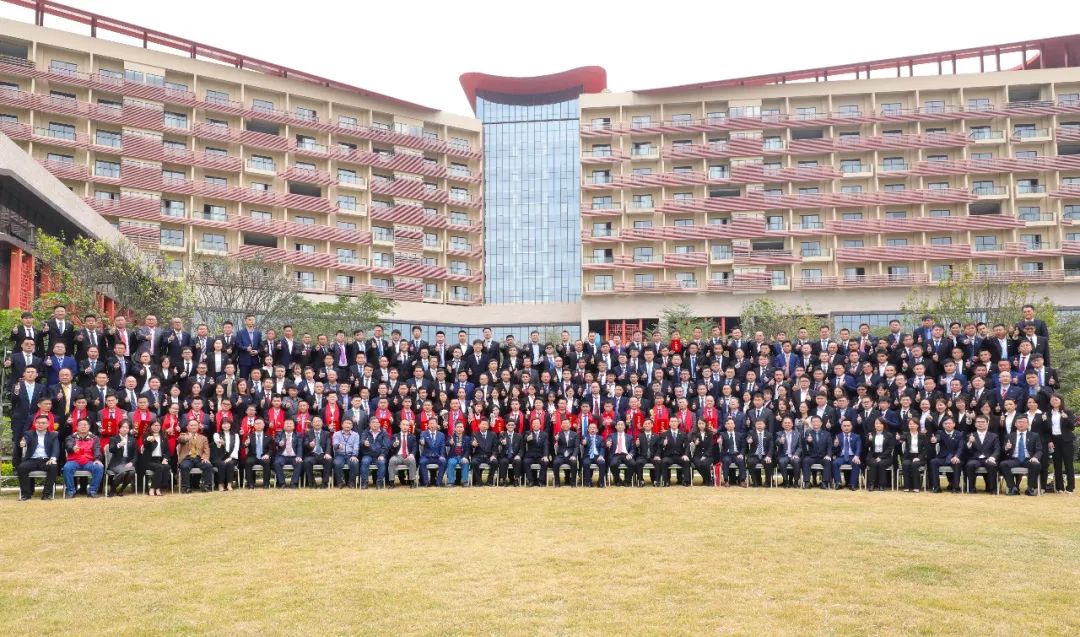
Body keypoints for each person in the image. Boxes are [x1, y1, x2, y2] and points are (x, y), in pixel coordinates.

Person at [16, 415, 59, 501]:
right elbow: (25, 439)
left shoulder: (53, 435)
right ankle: (26, 494)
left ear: (48, 424)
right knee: (21, 467)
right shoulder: (29, 434)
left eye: (43, 423)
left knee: (53, 467)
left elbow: (56, 448)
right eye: (38, 423)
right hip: (32, 460)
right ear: (35, 424)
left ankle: (46, 494)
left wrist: (53, 458)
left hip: (46, 460)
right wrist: (23, 442)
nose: (40, 425)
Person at [999, 416, 1043, 496]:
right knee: (1003, 464)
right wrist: (1006, 448)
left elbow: (1039, 450)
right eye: (1019, 422)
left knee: (1036, 464)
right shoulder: (1009, 436)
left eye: (1024, 422)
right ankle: (1013, 488)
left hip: (1029, 459)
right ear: (1015, 424)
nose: (1021, 424)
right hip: (1014, 459)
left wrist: (1035, 457)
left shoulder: (1034, 435)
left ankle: (1030, 488)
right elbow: (1002, 451)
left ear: (1028, 424)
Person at [62, 418, 103, 498]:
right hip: (74, 461)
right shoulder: (71, 437)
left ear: (89, 427)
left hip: (89, 461)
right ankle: (71, 491)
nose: (83, 426)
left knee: (99, 467)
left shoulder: (95, 438)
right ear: (76, 427)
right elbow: (68, 445)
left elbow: (97, 449)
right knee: (67, 467)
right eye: (80, 425)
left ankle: (92, 491)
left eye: (85, 425)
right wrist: (72, 448)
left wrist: (97, 459)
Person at [1045, 394, 1075, 494]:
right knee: (1057, 465)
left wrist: (1066, 418)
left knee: (1068, 464)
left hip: (1066, 440)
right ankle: (1059, 487)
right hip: (1054, 440)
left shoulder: (1067, 412)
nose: (1054, 402)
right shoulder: (1048, 413)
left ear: (1061, 401)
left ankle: (1070, 487)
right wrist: (1049, 441)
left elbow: (1072, 427)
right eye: (1052, 400)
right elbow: (1046, 430)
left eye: (1056, 400)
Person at [963, 415, 1000, 494]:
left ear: (987, 423)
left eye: (983, 422)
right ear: (975, 424)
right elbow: (966, 451)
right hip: (975, 459)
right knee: (970, 465)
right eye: (978, 422)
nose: (980, 424)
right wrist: (969, 442)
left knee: (992, 465)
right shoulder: (970, 435)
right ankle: (971, 488)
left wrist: (992, 457)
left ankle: (992, 489)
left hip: (989, 458)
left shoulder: (994, 436)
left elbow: (997, 449)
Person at [176, 419, 213, 493]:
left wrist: (205, 457)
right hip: (187, 458)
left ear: (198, 427)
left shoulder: (203, 438)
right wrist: (188, 438)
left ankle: (206, 486)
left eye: (195, 425)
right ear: (187, 427)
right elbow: (181, 440)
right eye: (191, 425)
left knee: (208, 465)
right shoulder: (183, 435)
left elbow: (206, 449)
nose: (193, 427)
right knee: (184, 466)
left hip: (199, 458)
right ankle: (186, 488)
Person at [928, 418, 964, 493]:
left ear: (954, 424)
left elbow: (960, 447)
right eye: (945, 423)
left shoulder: (959, 434)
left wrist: (957, 456)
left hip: (954, 457)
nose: (948, 425)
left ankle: (956, 487)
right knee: (933, 462)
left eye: (949, 423)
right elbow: (937, 437)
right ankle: (936, 487)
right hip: (943, 457)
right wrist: (935, 439)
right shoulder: (940, 432)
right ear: (943, 425)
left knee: (957, 463)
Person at [106, 420, 138, 496]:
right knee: (123, 472)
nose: (125, 429)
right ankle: (113, 489)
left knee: (132, 472)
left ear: (129, 429)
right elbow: (111, 449)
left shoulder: (132, 439)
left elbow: (135, 454)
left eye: (127, 427)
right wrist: (118, 445)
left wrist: (132, 462)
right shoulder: (114, 438)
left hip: (128, 462)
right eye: (123, 427)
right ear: (119, 428)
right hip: (116, 463)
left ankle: (121, 490)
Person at [140, 420, 171, 496]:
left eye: (158, 425)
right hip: (148, 460)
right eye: (154, 425)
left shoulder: (163, 437)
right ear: (150, 426)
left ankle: (159, 488)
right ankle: (152, 489)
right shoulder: (146, 435)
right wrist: (148, 439)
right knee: (159, 467)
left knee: (166, 466)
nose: (156, 427)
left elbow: (167, 451)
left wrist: (165, 459)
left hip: (159, 460)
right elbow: (145, 443)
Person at [801, 417, 832, 489]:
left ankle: (824, 483)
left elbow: (829, 446)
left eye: (817, 421)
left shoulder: (827, 434)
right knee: (805, 461)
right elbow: (804, 444)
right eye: (813, 422)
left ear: (821, 423)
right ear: (811, 423)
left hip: (823, 456)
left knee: (827, 461)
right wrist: (808, 441)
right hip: (812, 456)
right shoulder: (808, 433)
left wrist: (828, 455)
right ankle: (807, 482)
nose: (815, 423)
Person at [302, 417, 333, 488]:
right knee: (307, 461)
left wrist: (327, 453)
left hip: (323, 455)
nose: (317, 423)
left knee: (329, 460)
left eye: (319, 421)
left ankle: (324, 482)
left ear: (322, 423)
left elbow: (328, 445)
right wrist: (309, 444)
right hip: (312, 455)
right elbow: (305, 443)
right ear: (312, 424)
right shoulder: (308, 433)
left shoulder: (327, 433)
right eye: (315, 422)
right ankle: (312, 482)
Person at [359, 418, 390, 489]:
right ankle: (364, 483)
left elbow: (386, 446)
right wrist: (364, 443)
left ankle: (379, 483)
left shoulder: (384, 433)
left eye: (377, 422)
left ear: (379, 424)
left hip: (379, 455)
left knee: (382, 462)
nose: (375, 424)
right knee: (364, 461)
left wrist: (382, 455)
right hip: (368, 455)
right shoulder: (365, 432)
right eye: (373, 422)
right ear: (370, 424)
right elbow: (361, 441)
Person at [899, 419, 929, 492]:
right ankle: (906, 486)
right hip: (909, 456)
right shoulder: (906, 434)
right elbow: (902, 437)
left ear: (917, 425)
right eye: (910, 424)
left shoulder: (922, 435)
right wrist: (899, 438)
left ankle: (916, 486)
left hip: (919, 457)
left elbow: (925, 449)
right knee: (905, 464)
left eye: (914, 424)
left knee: (914, 464)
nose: (912, 425)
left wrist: (919, 458)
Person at [865, 418, 895, 491]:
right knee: (873, 463)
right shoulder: (871, 434)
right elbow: (867, 446)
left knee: (881, 464)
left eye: (880, 423)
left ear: (883, 425)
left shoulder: (889, 435)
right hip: (873, 456)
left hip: (886, 456)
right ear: (874, 425)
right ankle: (871, 484)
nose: (878, 425)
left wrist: (881, 457)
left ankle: (882, 485)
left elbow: (890, 449)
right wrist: (869, 440)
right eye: (876, 423)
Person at [831, 421, 862, 491]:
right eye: (844, 426)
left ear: (851, 426)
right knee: (834, 463)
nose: (846, 427)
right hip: (841, 457)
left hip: (852, 456)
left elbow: (859, 447)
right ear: (841, 427)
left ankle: (853, 484)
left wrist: (857, 456)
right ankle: (838, 483)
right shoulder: (837, 436)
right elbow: (833, 450)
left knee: (856, 463)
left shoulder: (856, 436)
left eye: (848, 426)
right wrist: (835, 445)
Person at [273, 420, 304, 488]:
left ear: (294, 426)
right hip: (282, 456)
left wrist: (299, 456)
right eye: (287, 423)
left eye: (290, 423)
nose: (288, 425)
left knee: (299, 463)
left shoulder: (298, 435)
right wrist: (279, 443)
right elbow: (276, 441)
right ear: (283, 426)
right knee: (277, 463)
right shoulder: (279, 434)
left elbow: (299, 446)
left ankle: (294, 483)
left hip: (294, 456)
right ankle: (282, 483)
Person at [211, 419, 240, 491]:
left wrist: (230, 458)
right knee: (222, 464)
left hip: (231, 457)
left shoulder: (236, 435)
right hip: (219, 457)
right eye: (224, 424)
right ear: (221, 425)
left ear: (230, 425)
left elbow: (236, 448)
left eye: (227, 423)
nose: (226, 425)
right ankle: (220, 484)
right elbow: (217, 442)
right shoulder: (216, 434)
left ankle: (229, 484)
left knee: (230, 463)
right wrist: (222, 443)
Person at [715, 418, 745, 487]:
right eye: (728, 424)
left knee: (741, 461)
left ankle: (742, 480)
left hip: (737, 454)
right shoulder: (722, 434)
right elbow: (720, 439)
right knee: (726, 461)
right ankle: (726, 480)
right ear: (725, 426)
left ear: (734, 425)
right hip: (727, 454)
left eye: (731, 423)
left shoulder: (739, 435)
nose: (730, 425)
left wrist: (741, 454)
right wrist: (720, 441)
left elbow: (743, 447)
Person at [244, 419, 274, 488]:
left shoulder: (268, 437)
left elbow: (271, 449)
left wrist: (268, 454)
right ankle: (250, 483)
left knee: (267, 462)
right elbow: (243, 446)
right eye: (256, 423)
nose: (258, 425)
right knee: (248, 462)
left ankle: (266, 483)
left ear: (264, 425)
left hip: (264, 456)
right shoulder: (249, 436)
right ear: (254, 425)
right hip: (252, 456)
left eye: (260, 423)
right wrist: (246, 444)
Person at [332, 419, 361, 488]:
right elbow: (335, 444)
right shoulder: (337, 434)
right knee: (337, 463)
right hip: (339, 455)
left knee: (355, 463)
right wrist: (338, 445)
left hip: (350, 455)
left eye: (350, 423)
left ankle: (351, 482)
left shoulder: (355, 435)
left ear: (352, 426)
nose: (348, 425)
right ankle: (340, 482)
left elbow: (356, 446)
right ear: (342, 425)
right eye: (346, 423)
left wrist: (354, 455)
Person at [606, 420, 636, 486]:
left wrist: (630, 454)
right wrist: (608, 443)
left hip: (626, 454)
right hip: (615, 455)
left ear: (624, 427)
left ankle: (627, 481)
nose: (620, 426)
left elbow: (633, 449)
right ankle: (617, 480)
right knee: (613, 464)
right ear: (616, 427)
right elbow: (608, 440)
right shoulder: (611, 435)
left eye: (622, 424)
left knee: (633, 463)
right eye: (618, 425)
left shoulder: (629, 437)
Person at [744, 419, 773, 487]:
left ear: (765, 425)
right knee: (750, 462)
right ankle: (755, 481)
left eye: (761, 424)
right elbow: (748, 437)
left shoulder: (769, 434)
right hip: (754, 455)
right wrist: (748, 440)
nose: (759, 425)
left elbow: (771, 447)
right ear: (755, 425)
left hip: (765, 455)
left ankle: (767, 482)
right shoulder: (751, 432)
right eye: (758, 424)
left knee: (768, 462)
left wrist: (769, 456)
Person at [419, 418, 447, 487]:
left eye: (433, 423)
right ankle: (426, 482)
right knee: (422, 462)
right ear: (428, 425)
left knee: (443, 461)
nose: (432, 425)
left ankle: (438, 482)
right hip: (426, 456)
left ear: (436, 424)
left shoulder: (441, 435)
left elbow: (442, 446)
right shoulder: (423, 433)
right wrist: (422, 442)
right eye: (430, 423)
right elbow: (421, 440)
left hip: (437, 456)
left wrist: (442, 456)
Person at [469, 419, 498, 487]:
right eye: (482, 424)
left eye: (486, 424)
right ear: (479, 425)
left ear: (488, 426)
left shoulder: (493, 434)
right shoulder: (475, 434)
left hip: (489, 456)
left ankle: (489, 481)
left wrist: (493, 455)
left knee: (495, 462)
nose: (484, 426)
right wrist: (473, 444)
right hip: (478, 455)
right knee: (474, 462)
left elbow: (495, 447)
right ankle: (479, 481)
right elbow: (471, 444)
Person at [388, 423, 418, 487]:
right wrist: (394, 445)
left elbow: (415, 447)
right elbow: (390, 448)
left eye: (407, 425)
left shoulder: (412, 436)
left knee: (412, 460)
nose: (405, 426)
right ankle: (391, 482)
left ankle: (412, 481)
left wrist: (412, 454)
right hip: (398, 456)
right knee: (392, 460)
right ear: (400, 426)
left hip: (408, 456)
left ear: (408, 427)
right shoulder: (395, 436)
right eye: (403, 425)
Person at [552, 419, 579, 487]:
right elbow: (554, 445)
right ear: (561, 425)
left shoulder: (575, 434)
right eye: (563, 423)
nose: (565, 425)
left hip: (571, 455)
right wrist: (556, 440)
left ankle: (573, 482)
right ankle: (557, 482)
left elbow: (576, 447)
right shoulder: (558, 434)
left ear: (570, 425)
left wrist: (574, 455)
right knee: (555, 462)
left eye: (567, 423)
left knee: (574, 462)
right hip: (561, 455)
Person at [523, 418, 550, 487]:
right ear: (532, 425)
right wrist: (528, 438)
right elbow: (525, 438)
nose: (535, 425)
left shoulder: (544, 434)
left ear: (540, 425)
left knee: (545, 462)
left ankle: (540, 481)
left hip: (540, 456)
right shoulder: (528, 433)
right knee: (525, 462)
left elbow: (546, 446)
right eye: (534, 423)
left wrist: (545, 456)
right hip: (530, 456)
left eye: (537, 423)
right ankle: (531, 481)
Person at [580, 422, 607, 487]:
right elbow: (583, 443)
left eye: (594, 428)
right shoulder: (585, 437)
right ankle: (588, 482)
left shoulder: (600, 438)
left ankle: (601, 482)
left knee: (602, 463)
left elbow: (602, 448)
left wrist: (601, 455)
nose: (592, 429)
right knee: (586, 463)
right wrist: (584, 443)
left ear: (597, 430)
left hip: (597, 456)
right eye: (591, 428)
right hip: (588, 456)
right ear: (588, 429)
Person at [444, 421, 471, 487]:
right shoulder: (451, 437)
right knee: (451, 462)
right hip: (453, 456)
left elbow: (468, 450)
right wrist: (450, 443)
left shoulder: (467, 438)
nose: (459, 429)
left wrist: (465, 457)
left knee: (465, 462)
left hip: (462, 456)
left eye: (461, 427)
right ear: (455, 428)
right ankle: (451, 482)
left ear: (463, 429)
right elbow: (446, 443)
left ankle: (464, 482)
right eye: (458, 427)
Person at [688, 419, 714, 486]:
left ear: (705, 424)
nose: (701, 425)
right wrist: (694, 442)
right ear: (697, 424)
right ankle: (707, 479)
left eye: (702, 423)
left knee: (705, 463)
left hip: (708, 456)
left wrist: (705, 456)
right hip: (697, 455)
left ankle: (708, 480)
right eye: (699, 423)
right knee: (698, 463)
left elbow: (710, 447)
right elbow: (691, 439)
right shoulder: (694, 433)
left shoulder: (710, 433)